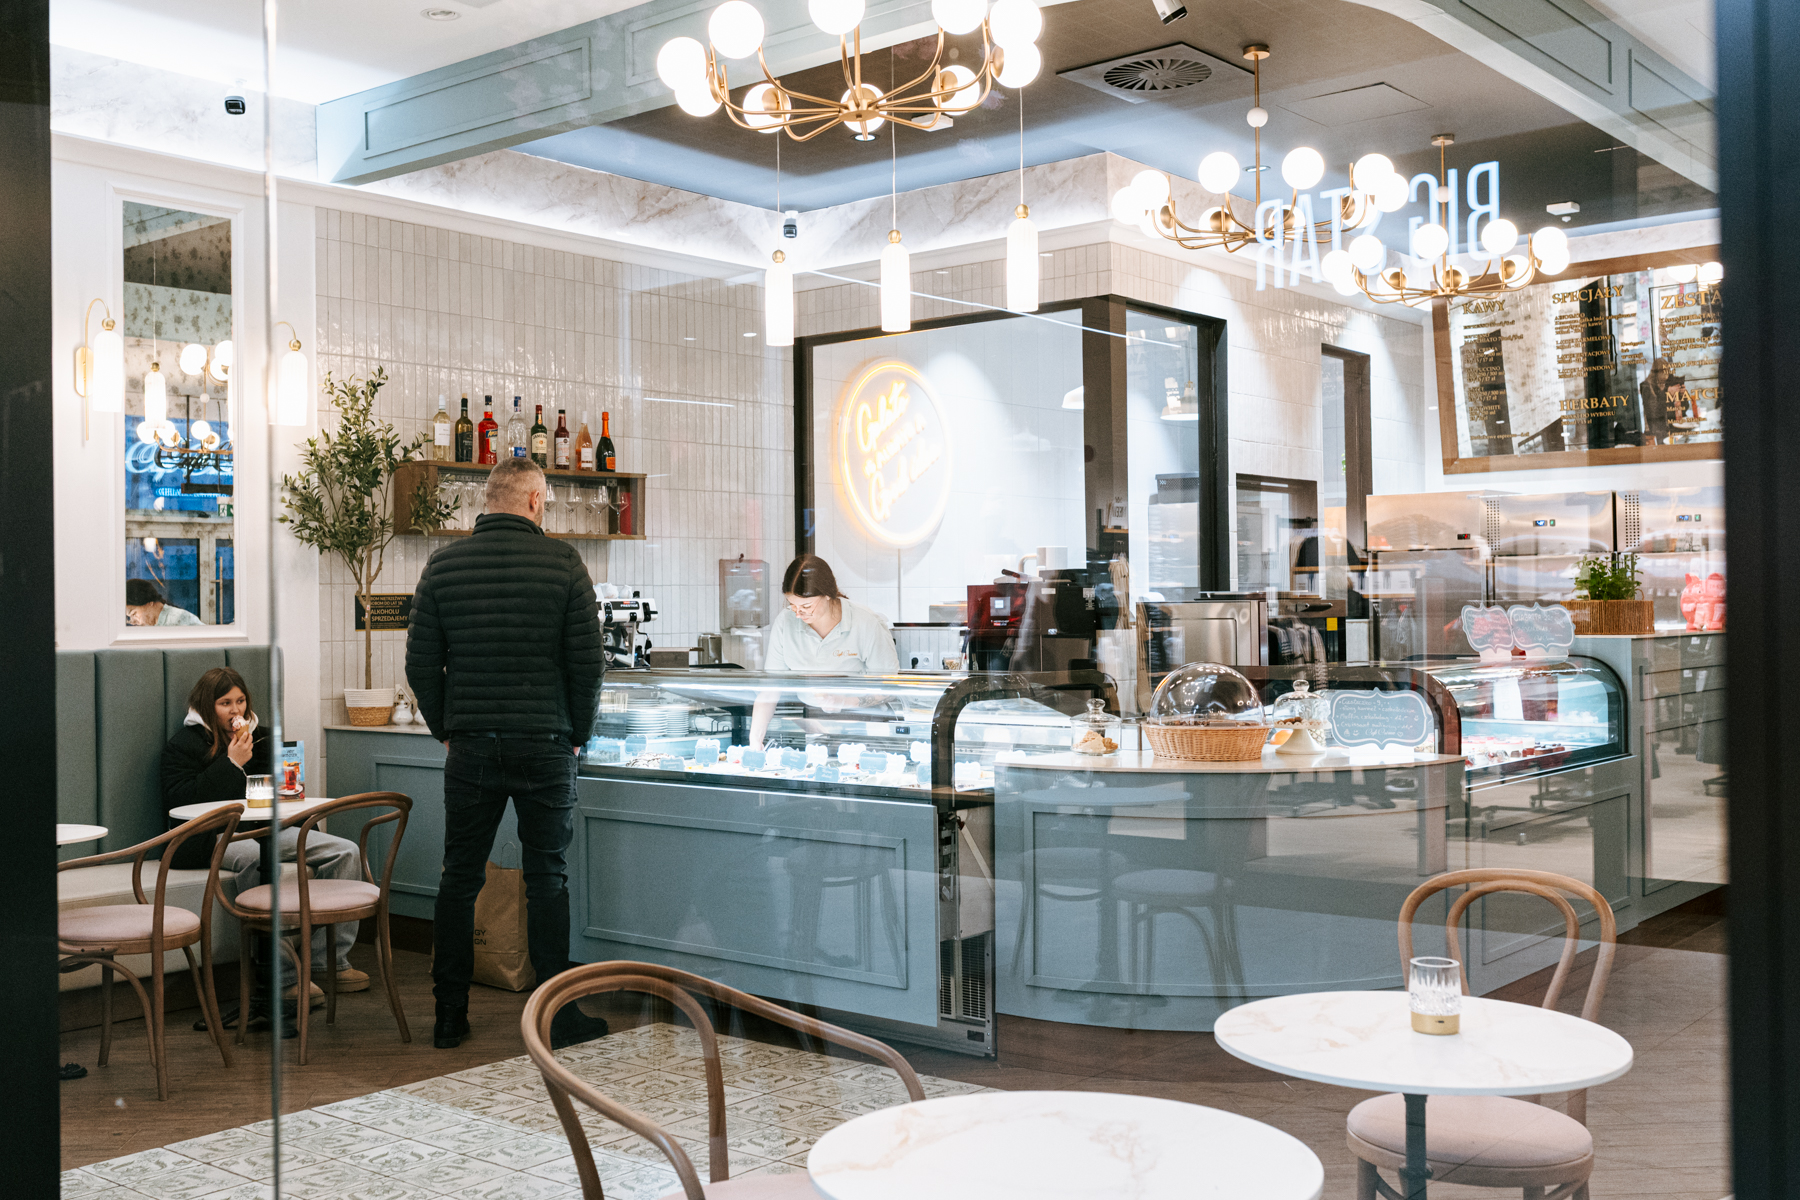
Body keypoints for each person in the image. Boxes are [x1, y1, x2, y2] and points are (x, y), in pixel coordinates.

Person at [405, 457, 609, 1051]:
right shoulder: (564, 563)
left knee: (459, 878)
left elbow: (420, 664)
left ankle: (449, 1015)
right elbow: (588, 665)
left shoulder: (442, 565)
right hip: (546, 744)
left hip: (471, 747)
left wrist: (447, 728)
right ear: (536, 501)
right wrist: (578, 732)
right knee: (547, 878)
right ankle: (556, 1017)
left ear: (487, 499)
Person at [161, 667, 367, 1009]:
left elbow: (281, 795)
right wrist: (230, 763)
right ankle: (282, 977)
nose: (236, 710)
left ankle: (327, 960)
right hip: (213, 836)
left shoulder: (264, 738)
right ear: (208, 706)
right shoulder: (183, 746)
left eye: (241, 701)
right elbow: (182, 803)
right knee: (259, 861)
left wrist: (288, 780)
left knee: (346, 852)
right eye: (225, 703)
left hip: (268, 829)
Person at [749, 554, 899, 748]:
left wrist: (845, 701)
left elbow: (889, 687)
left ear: (828, 593)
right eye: (792, 605)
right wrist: (755, 739)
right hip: (814, 722)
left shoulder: (866, 623)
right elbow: (770, 692)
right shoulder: (785, 623)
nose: (798, 613)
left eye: (806, 606)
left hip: (865, 724)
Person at [127, 578, 201, 626]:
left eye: (134, 614)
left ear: (149, 603)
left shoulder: (181, 620)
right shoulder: (148, 629)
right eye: (129, 617)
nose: (133, 622)